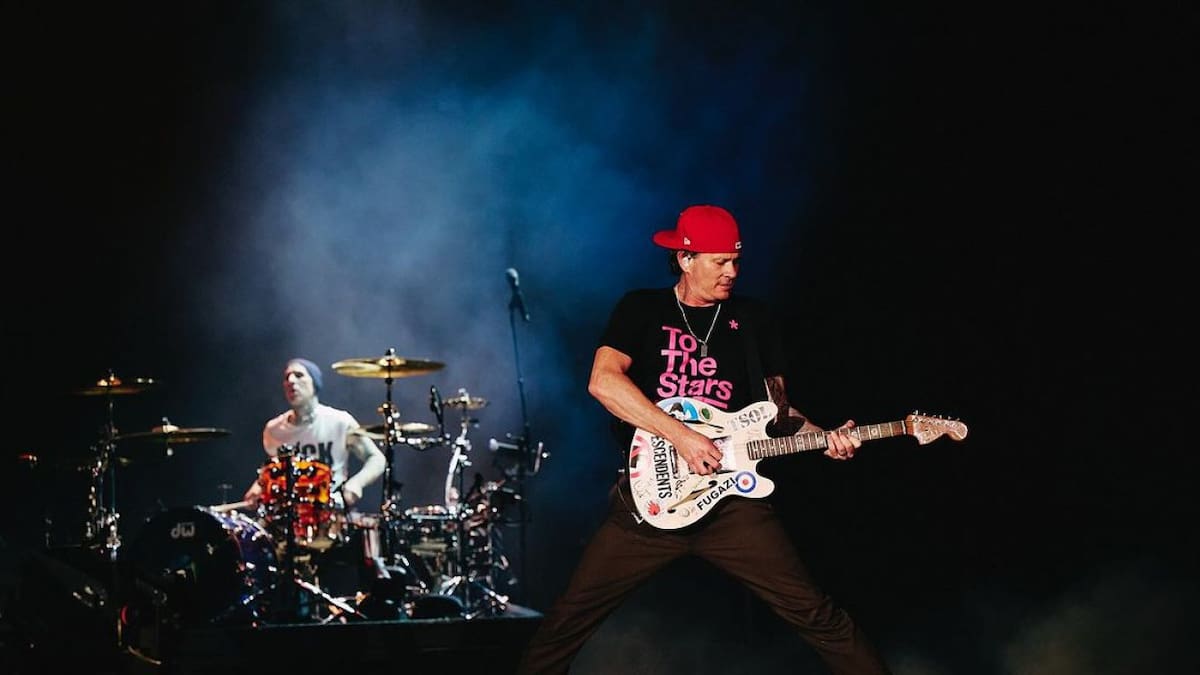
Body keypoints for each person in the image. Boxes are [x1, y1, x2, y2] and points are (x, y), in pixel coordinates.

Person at [516, 205, 891, 674]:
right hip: (650, 498)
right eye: (719, 262)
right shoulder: (642, 309)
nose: (732, 272)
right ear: (686, 259)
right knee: (566, 623)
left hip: (732, 503)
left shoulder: (753, 320)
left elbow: (778, 413)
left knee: (818, 615)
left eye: (736, 261)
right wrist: (682, 437)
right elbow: (603, 382)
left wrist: (824, 437)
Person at [242, 357, 386, 529]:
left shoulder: (339, 421)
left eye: (299, 375)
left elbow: (376, 458)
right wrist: (258, 487)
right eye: (287, 377)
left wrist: (356, 484)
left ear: (314, 383)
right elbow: (274, 473)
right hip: (288, 519)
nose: (291, 381)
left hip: (331, 515)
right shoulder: (274, 430)